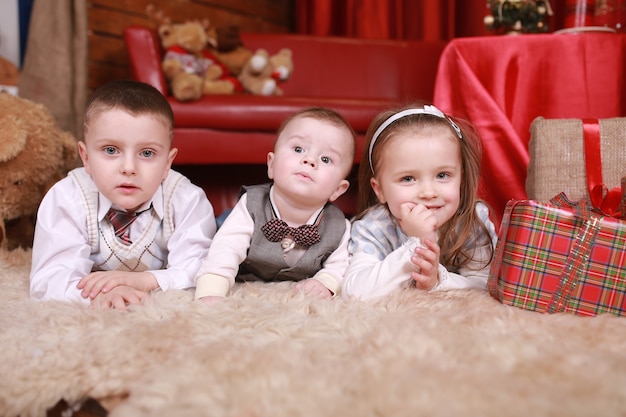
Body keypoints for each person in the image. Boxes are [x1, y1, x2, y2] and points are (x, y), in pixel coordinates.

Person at [30, 80, 217, 310]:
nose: (129, 168)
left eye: (147, 153)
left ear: (168, 163)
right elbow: (49, 279)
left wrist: (144, 281)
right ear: (86, 157)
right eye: (111, 150)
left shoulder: (185, 199)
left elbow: (201, 268)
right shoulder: (68, 197)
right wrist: (104, 294)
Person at [194, 107, 356, 304]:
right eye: (298, 149)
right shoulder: (251, 205)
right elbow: (225, 250)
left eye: (325, 159)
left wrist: (325, 283)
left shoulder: (339, 226)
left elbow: (340, 266)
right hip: (243, 261)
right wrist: (211, 291)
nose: (309, 160)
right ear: (271, 164)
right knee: (218, 234)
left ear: (338, 189)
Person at [342, 104, 497, 301]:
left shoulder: (472, 220)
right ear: (379, 190)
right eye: (408, 178)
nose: (428, 192)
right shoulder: (373, 227)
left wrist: (438, 280)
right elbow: (354, 291)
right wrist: (416, 244)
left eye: (442, 175)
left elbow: (485, 284)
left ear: (461, 179)